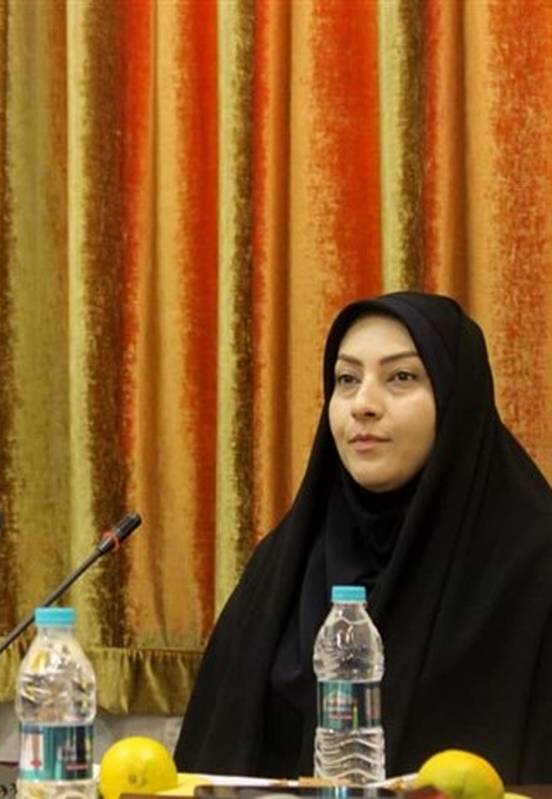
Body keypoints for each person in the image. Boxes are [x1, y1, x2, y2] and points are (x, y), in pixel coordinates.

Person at [175, 292, 552, 781]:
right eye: (347, 379)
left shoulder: (533, 562)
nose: (363, 405)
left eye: (401, 377)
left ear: (457, 397)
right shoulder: (286, 563)